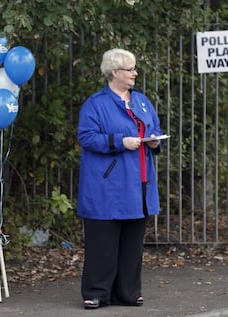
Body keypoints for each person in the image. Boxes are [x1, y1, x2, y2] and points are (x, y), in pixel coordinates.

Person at [77, 48, 163, 309]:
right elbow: (86, 136)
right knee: (102, 244)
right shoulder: (95, 104)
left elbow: (154, 127)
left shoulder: (142, 102)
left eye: (134, 68)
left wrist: (155, 141)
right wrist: (118, 142)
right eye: (130, 69)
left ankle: (127, 292)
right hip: (107, 186)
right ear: (114, 72)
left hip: (140, 184)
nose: (135, 73)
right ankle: (96, 292)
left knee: (132, 245)